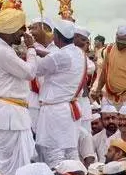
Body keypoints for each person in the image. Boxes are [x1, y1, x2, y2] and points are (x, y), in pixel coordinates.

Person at [0, 8, 37, 175]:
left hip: (7, 113)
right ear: (10, 30)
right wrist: (31, 49)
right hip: (10, 115)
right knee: (15, 167)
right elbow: (29, 72)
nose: (23, 33)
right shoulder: (2, 51)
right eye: (21, 29)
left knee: (9, 164)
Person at [31, 18, 86, 166]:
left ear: (56, 36)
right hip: (69, 109)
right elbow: (55, 59)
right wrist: (41, 52)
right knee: (71, 153)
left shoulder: (60, 56)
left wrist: (30, 51)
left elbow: (36, 69)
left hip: (56, 111)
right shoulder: (79, 53)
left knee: (55, 156)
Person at [92, 25, 126, 109]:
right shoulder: (109, 49)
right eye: (119, 40)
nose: (121, 43)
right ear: (116, 36)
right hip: (108, 95)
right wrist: (98, 89)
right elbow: (104, 71)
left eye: (123, 41)